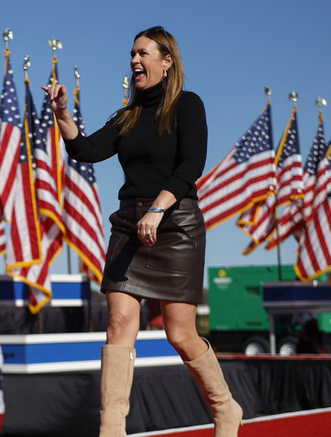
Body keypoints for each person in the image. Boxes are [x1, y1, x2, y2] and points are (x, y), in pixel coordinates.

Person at [45, 26, 242, 436]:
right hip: (129, 225)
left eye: (143, 53)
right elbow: (87, 150)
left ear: (166, 61)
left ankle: (226, 409)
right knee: (118, 324)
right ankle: (111, 428)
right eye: (131, 54)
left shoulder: (188, 105)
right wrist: (63, 114)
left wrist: (157, 208)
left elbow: (191, 165)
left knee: (180, 334)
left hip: (176, 224)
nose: (134, 60)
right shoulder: (127, 115)